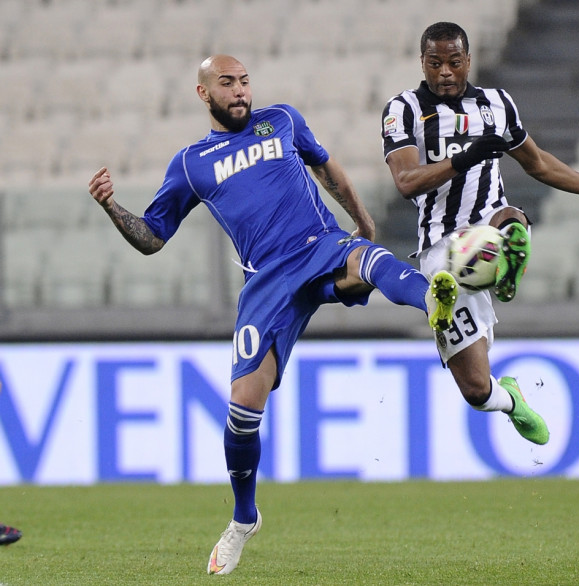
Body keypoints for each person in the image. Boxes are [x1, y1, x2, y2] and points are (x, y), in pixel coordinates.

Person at [88, 54, 459, 576]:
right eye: (227, 83)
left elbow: (326, 167)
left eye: (243, 81)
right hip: (267, 282)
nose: (240, 91)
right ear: (203, 94)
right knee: (242, 408)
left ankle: (436, 303)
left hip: (319, 243)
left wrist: (362, 218)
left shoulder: (282, 119)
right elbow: (152, 237)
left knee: (371, 261)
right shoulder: (192, 163)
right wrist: (110, 207)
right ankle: (244, 519)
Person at [382, 22, 579, 443]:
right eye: (435, 63)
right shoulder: (403, 109)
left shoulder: (497, 105)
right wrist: (464, 159)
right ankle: (512, 399)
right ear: (422, 63)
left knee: (509, 217)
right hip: (440, 250)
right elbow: (407, 180)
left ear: (468, 60)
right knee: (477, 390)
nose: (445, 72)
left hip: (488, 223)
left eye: (454, 62)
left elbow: (537, 163)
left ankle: (504, 268)